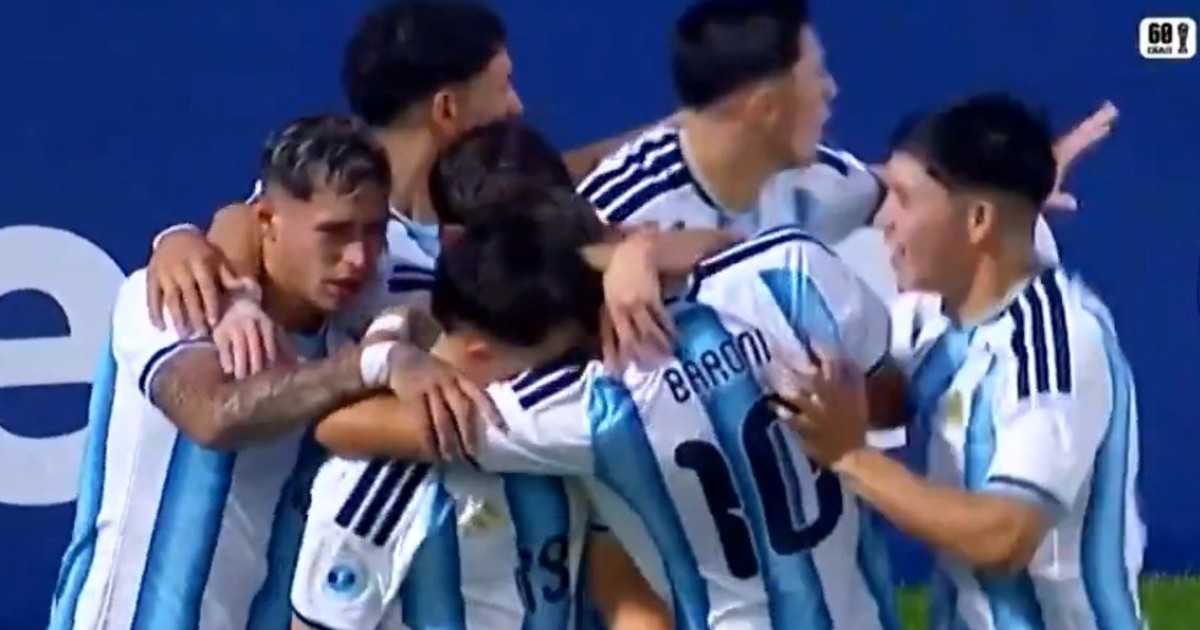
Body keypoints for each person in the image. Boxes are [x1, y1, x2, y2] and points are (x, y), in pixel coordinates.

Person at [317, 191, 911, 627]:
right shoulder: (792, 269)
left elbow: (339, 425)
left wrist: (393, 336)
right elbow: (893, 400)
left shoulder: (588, 405)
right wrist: (642, 247)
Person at [47, 115, 479, 630]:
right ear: (268, 220)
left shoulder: (349, 333)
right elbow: (212, 417)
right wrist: (372, 363)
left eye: (373, 232)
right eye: (334, 233)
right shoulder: (171, 297)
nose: (358, 258)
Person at [778, 94, 1144, 629]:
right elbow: (878, 398)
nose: (885, 222)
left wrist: (850, 456)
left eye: (904, 199)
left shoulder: (1057, 344)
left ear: (977, 221)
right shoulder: (929, 319)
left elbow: (1004, 535)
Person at [145, 0, 658, 339]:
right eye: (503, 85)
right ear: (446, 110)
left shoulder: (484, 213)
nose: (516, 106)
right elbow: (238, 224)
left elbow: (569, 173)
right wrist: (188, 250)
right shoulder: (318, 207)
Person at [291, 186, 672, 630]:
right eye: (560, 361)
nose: (579, 377)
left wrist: (636, 253)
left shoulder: (564, 442)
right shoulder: (378, 484)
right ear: (480, 355)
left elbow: (621, 582)